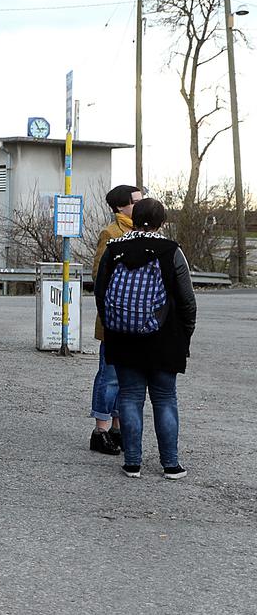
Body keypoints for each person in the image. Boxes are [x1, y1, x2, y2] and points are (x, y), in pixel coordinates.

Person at [94, 197, 195, 479]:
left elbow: (101, 294)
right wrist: (184, 335)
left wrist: (114, 326)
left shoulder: (114, 250)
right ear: (162, 221)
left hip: (123, 337)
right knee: (164, 399)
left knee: (129, 397)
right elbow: (187, 300)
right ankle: (171, 465)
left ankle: (132, 463)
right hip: (165, 338)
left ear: (134, 218)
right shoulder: (171, 251)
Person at [88, 184, 143, 455]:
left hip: (135, 323)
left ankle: (117, 428)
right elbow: (99, 276)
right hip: (113, 318)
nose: (139, 206)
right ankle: (100, 430)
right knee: (109, 376)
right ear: (120, 206)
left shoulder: (143, 232)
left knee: (127, 377)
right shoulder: (110, 234)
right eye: (135, 202)